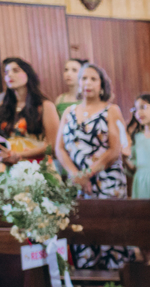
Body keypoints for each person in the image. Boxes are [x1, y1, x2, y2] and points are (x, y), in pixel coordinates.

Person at [56, 63, 130, 269]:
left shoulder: (111, 110)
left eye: (93, 79)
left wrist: (88, 173)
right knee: (82, 231)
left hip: (107, 180)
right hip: (77, 182)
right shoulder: (69, 111)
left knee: (110, 231)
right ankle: (88, 281)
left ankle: (116, 280)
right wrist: (75, 175)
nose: (87, 83)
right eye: (84, 78)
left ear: (102, 85)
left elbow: (115, 149)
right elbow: (59, 148)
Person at [0, 58, 60, 172]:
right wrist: (2, 157)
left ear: (28, 74)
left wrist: (20, 155)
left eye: (15, 70)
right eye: (6, 72)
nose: (10, 75)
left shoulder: (44, 106)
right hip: (8, 167)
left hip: (37, 167)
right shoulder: (0, 108)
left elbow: (53, 145)